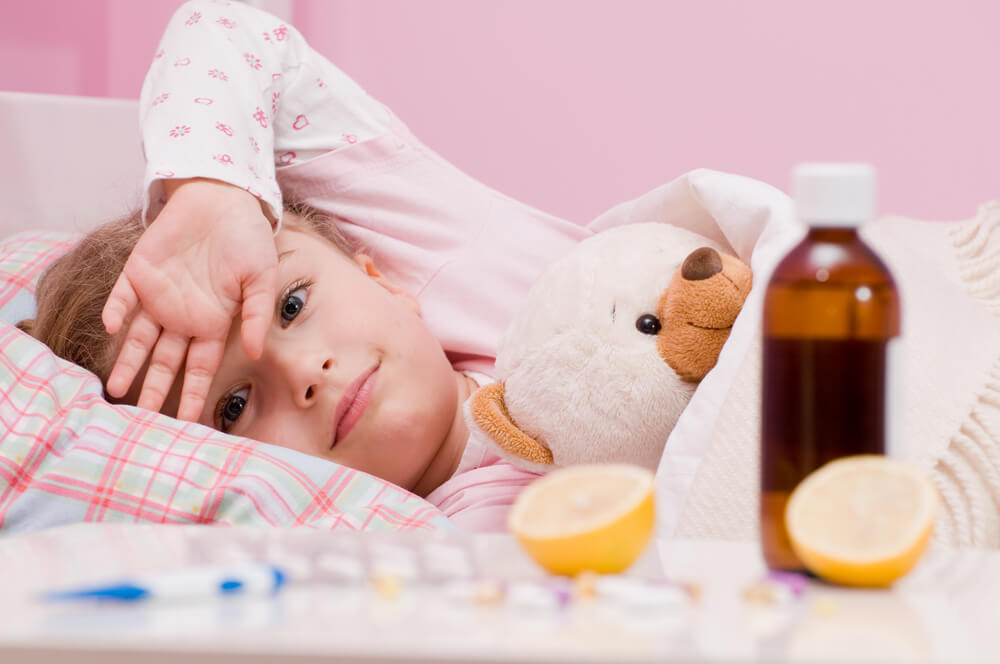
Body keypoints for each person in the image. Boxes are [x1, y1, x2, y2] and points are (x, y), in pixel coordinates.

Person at [21, 0, 595, 530]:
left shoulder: (453, 251)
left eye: (292, 305)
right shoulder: (435, 546)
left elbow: (220, 28)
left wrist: (213, 194)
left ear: (383, 280)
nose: (304, 376)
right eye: (235, 406)